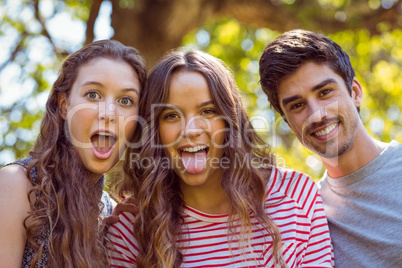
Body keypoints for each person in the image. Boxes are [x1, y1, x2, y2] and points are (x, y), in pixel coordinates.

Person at [107, 49, 333, 267]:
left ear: (230, 121)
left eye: (207, 111)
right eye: (171, 115)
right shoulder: (131, 229)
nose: (191, 130)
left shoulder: (296, 196)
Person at [259, 29, 402, 267]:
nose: (316, 115)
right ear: (290, 125)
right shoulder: (306, 216)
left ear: (354, 92)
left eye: (325, 92)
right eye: (297, 105)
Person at [0, 39, 146, 267]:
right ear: (63, 104)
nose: (109, 113)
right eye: (93, 95)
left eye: (125, 100)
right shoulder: (15, 186)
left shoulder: (111, 214)